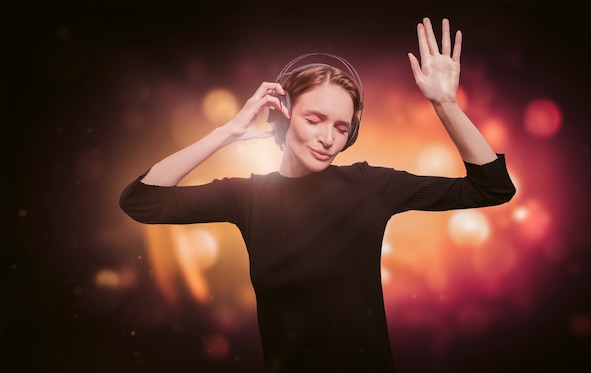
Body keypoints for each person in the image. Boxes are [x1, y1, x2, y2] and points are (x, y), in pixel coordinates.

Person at [119, 17, 516, 373]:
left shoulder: (371, 186)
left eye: (342, 128)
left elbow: (493, 187)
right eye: (314, 119)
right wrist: (227, 133)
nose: (328, 138)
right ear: (282, 114)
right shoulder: (248, 197)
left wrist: (445, 104)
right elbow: (141, 200)